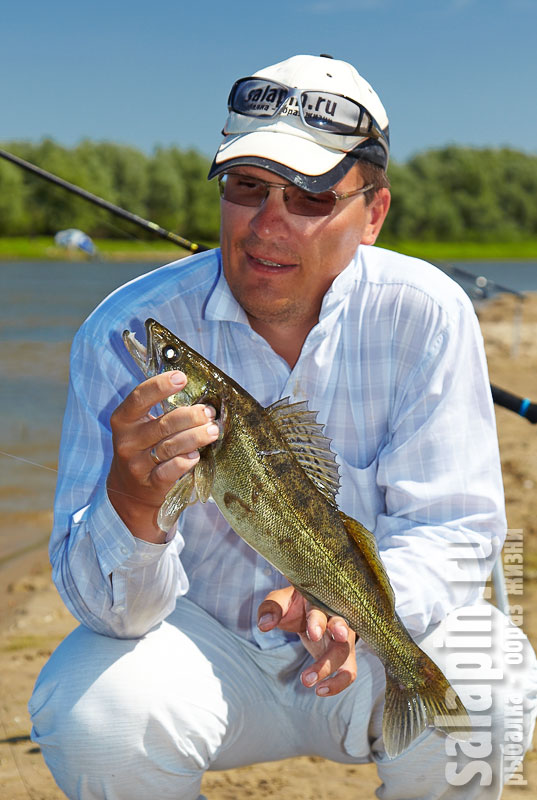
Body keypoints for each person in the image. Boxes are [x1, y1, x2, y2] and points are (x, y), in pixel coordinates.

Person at [29, 54, 537, 799]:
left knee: (485, 689)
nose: (269, 224)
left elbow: (454, 530)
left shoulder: (425, 312)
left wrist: (348, 609)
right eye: (247, 189)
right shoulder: (120, 333)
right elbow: (113, 615)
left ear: (373, 213)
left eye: (310, 198)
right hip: (201, 647)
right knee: (94, 713)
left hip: (367, 645)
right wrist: (132, 508)